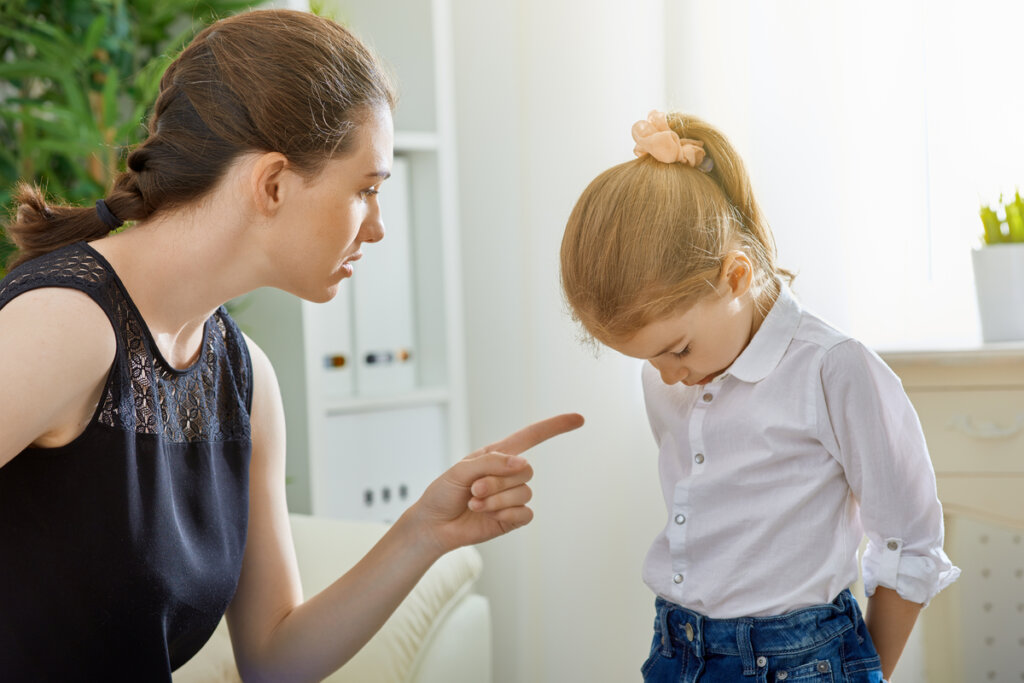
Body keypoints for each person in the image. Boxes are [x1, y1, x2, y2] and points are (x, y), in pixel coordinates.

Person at [0, 9, 583, 681]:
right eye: (366, 190)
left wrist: (422, 531)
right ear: (272, 183)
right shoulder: (67, 324)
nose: (378, 227)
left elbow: (274, 660)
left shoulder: (245, 379)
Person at [560, 110, 958, 683]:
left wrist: (863, 671)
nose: (667, 377)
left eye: (677, 349)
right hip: (677, 648)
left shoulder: (832, 368)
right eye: (648, 359)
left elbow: (909, 542)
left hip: (800, 661)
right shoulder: (672, 379)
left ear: (736, 277)